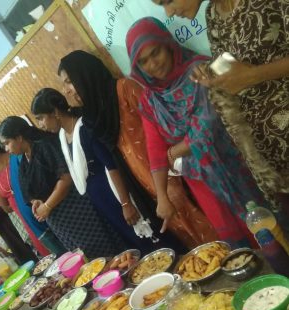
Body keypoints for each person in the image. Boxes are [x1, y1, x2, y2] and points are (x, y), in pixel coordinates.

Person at [125, 17, 264, 247]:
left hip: (238, 163)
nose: (153, 64)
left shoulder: (200, 71)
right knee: (237, 242)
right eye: (143, 61)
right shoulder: (151, 100)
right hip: (202, 181)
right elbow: (155, 148)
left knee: (267, 224)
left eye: (155, 52)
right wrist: (162, 197)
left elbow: (208, 124)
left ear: (167, 44)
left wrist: (174, 152)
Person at [58, 50, 217, 248]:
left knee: (207, 231)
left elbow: (165, 130)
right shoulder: (94, 116)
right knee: (188, 241)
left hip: (172, 177)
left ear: (85, 75)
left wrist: (170, 182)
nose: (66, 90)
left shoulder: (125, 90)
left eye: (69, 82)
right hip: (145, 187)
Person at [153, 0, 289, 215]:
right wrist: (212, 73)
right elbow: (233, 65)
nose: (169, 13)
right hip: (273, 161)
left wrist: (254, 75)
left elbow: (249, 73)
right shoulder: (214, 14)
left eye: (167, 1)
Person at [31, 87, 182, 253]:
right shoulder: (62, 136)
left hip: (113, 191)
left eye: (41, 118)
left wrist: (126, 203)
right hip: (98, 197)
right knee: (131, 240)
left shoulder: (85, 128)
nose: (41, 125)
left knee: (149, 235)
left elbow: (111, 166)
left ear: (55, 112)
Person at [0, 116, 127, 258]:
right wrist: (36, 202)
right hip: (59, 222)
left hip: (75, 209)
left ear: (19, 138)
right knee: (84, 256)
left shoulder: (44, 145)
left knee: (103, 249)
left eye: (7, 143)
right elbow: (29, 191)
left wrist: (47, 206)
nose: (6, 149)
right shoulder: (23, 161)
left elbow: (66, 179)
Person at [0, 133, 66, 256]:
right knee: (56, 256)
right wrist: (18, 202)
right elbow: (6, 208)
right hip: (29, 221)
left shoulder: (16, 158)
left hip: (49, 207)